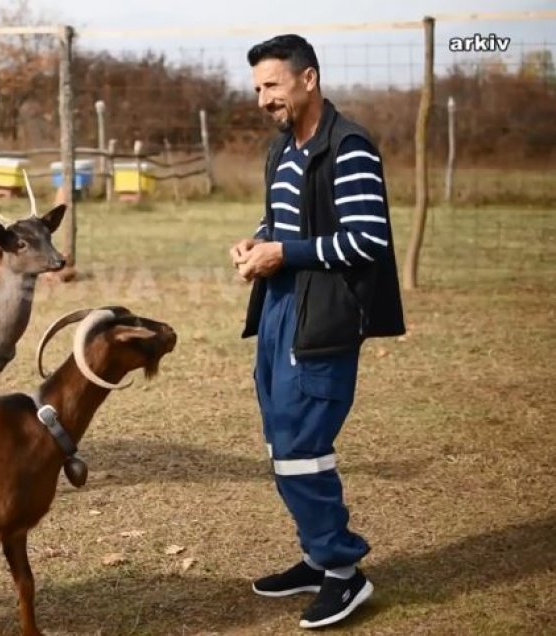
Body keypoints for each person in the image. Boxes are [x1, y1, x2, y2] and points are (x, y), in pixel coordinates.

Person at [230, 34, 405, 629]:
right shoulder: (283, 148)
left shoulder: (349, 146)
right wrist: (258, 240)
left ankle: (343, 571)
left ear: (309, 79)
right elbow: (280, 220)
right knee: (283, 442)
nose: (262, 100)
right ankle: (316, 556)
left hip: (323, 317)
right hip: (278, 309)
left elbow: (367, 240)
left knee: (302, 447)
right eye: (257, 88)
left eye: (272, 85)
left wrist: (285, 252)